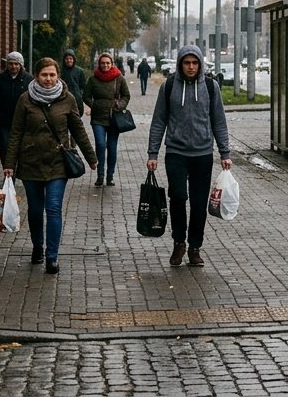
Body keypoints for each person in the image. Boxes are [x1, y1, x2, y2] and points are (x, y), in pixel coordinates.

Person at [2, 57, 97, 274]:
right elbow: (16, 132)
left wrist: (91, 157)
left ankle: (52, 257)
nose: (48, 79)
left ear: (58, 76)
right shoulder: (25, 99)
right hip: (31, 162)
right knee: (35, 210)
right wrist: (9, 163)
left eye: (52, 75)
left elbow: (78, 129)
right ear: (36, 76)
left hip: (57, 162)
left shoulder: (67, 99)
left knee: (53, 208)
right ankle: (38, 246)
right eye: (44, 75)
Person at [147, 45, 231, 268]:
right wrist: (153, 153)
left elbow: (219, 121)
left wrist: (225, 152)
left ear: (200, 64)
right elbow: (158, 121)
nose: (191, 67)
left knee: (198, 203)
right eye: (187, 63)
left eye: (195, 63)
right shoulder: (169, 87)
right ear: (180, 64)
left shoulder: (211, 87)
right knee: (177, 197)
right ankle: (179, 243)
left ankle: (195, 247)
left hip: (202, 153)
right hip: (176, 152)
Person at [82, 53, 130, 187]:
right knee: (100, 144)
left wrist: (119, 105)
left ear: (112, 64)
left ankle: (110, 176)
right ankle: (100, 175)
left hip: (114, 118)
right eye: (103, 63)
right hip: (98, 118)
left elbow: (126, 96)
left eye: (108, 63)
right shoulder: (93, 79)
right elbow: (86, 96)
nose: (105, 65)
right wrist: (94, 105)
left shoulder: (119, 78)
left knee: (112, 147)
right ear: (99, 64)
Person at [0, 51, 30, 162]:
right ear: (7, 64)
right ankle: (7, 169)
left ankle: (18, 168)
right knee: (5, 147)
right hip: (4, 120)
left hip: (22, 121)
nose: (13, 66)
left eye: (16, 64)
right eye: (11, 63)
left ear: (21, 65)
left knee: (21, 148)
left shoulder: (29, 80)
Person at [59, 49, 86, 113]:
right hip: (63, 99)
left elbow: (83, 86)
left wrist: (80, 95)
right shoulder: (59, 71)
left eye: (70, 58)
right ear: (64, 60)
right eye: (67, 59)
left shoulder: (80, 71)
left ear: (73, 59)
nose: (69, 60)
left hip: (77, 100)